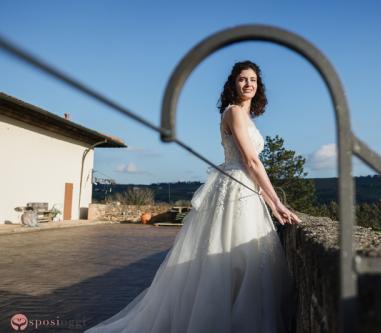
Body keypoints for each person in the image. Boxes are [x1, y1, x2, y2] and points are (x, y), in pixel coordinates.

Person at [84, 60, 301, 333]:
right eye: (243, 79)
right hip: (234, 191)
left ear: (259, 87)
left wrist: (271, 204)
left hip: (248, 193)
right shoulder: (233, 112)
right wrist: (279, 202)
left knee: (245, 262)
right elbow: (251, 162)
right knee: (225, 263)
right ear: (233, 84)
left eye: (253, 80)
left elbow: (254, 170)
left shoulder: (248, 118)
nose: (248, 84)